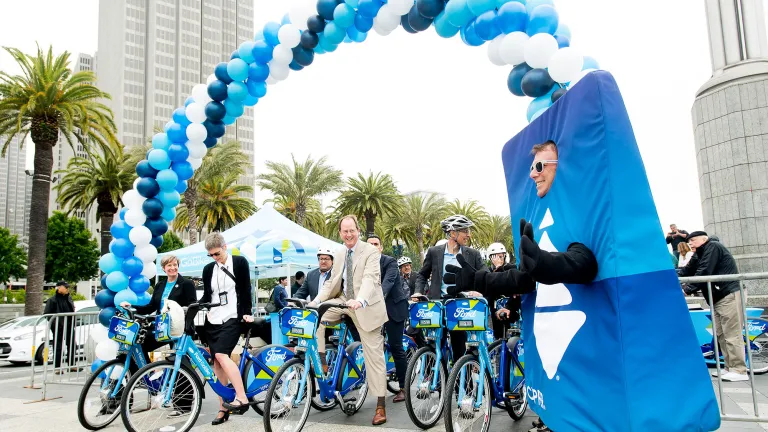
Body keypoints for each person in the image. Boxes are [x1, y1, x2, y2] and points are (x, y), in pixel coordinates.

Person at [444, 142, 598, 432]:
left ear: (561, 169)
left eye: (540, 166)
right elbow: (522, 278)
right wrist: (479, 280)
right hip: (546, 333)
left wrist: (544, 264)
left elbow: (585, 261)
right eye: (530, 167)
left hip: (584, 337)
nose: (532, 174)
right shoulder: (539, 216)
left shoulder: (580, 210)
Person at [310, 215, 389, 425]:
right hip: (343, 301)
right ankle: (322, 360)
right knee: (313, 319)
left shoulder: (370, 251)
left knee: (374, 355)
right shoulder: (339, 252)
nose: (348, 235)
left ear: (358, 230)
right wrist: (315, 302)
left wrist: (361, 300)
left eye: (351, 230)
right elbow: (331, 283)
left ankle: (380, 404)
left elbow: (370, 279)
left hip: (366, 305)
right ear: (340, 233)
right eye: (344, 231)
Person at [119, 254, 197, 416]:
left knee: (180, 361)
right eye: (169, 266)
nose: (173, 268)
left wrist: (187, 326)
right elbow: (151, 307)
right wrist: (132, 306)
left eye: (175, 265)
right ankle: (149, 376)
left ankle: (183, 405)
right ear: (164, 268)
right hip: (161, 327)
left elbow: (192, 306)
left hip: (179, 327)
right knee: (139, 343)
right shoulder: (160, 285)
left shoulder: (186, 284)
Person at [415, 214, 488, 362]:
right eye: (465, 231)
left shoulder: (473, 254)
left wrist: (478, 290)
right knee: (434, 345)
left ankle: (460, 381)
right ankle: (436, 379)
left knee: (459, 348)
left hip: (460, 305)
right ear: (453, 233)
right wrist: (418, 291)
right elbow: (422, 275)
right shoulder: (434, 252)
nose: (469, 234)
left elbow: (485, 274)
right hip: (438, 304)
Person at [201, 232, 254, 425]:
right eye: (211, 255)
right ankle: (223, 408)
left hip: (233, 316)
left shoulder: (239, 263)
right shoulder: (208, 269)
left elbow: (246, 289)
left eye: (217, 253)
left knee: (222, 355)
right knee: (216, 362)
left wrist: (247, 312)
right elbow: (208, 296)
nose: (215, 258)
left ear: (225, 247)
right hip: (212, 319)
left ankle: (241, 396)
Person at [681, 231, 746, 382]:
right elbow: (687, 270)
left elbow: (705, 271)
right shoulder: (700, 253)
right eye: (689, 241)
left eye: (693, 240)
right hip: (717, 298)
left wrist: (687, 289)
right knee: (721, 334)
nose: (690, 243)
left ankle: (739, 370)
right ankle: (729, 367)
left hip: (727, 294)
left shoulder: (713, 247)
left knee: (731, 333)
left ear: (704, 239)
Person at [367, 234, 409, 403]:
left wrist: (377, 297)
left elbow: (388, 281)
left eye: (376, 244)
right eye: (369, 244)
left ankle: (403, 388)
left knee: (396, 346)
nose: (373, 247)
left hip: (393, 309)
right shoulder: (364, 264)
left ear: (381, 247)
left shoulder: (389, 261)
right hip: (374, 309)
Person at [44, 281, 77, 374]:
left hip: (69, 325)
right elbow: (47, 314)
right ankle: (57, 367)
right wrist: (56, 324)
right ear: (59, 288)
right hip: (58, 327)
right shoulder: (52, 300)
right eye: (65, 287)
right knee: (58, 347)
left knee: (72, 345)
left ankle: (71, 365)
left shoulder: (69, 298)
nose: (67, 289)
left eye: (67, 287)